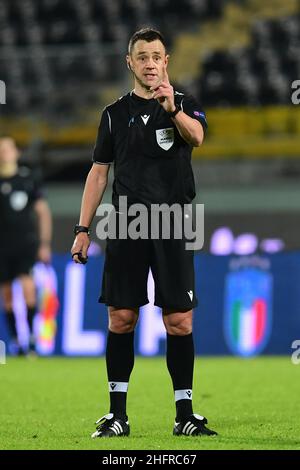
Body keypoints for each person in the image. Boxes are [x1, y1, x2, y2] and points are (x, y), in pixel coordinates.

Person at [71, 28, 217, 438]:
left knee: (179, 321)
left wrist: (172, 110)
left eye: (156, 56)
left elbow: (199, 137)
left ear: (166, 61)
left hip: (174, 221)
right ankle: (118, 414)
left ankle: (184, 415)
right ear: (130, 62)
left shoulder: (184, 104)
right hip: (126, 223)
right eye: (142, 57)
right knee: (121, 318)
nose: (150, 63)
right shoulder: (113, 114)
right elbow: (99, 173)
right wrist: (83, 229)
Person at [0, 137, 52, 355]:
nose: (4, 153)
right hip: (2, 246)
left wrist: (44, 243)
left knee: (28, 288)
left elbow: (42, 212)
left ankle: (31, 339)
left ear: (16, 152)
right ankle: (15, 341)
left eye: (7, 149)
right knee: (7, 295)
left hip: (25, 243)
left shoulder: (27, 178)